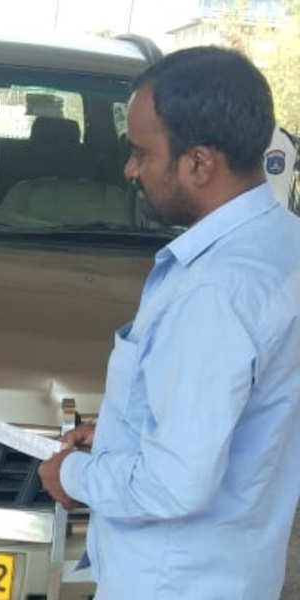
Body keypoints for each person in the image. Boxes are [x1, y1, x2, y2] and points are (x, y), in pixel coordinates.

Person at [38, 46, 300, 600]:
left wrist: (73, 475)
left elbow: (174, 484)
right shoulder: (283, 247)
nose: (130, 170)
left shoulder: (214, 289)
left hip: (170, 582)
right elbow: (238, 417)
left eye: (141, 153)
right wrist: (118, 435)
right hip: (238, 571)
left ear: (199, 163)